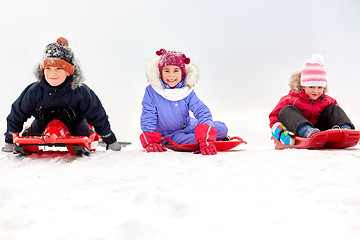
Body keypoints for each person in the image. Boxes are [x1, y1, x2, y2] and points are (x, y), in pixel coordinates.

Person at [3, 37, 122, 152]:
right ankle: (27, 140)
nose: (52, 73)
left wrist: (110, 139)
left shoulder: (80, 91)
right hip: (42, 124)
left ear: (68, 71)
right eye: (48, 68)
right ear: (42, 70)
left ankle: (84, 139)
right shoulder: (35, 91)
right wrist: (10, 139)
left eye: (58, 69)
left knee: (82, 132)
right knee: (29, 140)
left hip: (74, 124)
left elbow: (97, 114)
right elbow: (17, 113)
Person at [140, 48, 228, 155]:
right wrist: (151, 140)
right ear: (161, 73)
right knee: (195, 141)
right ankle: (208, 139)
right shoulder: (152, 91)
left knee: (222, 129)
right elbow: (148, 116)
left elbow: (202, 110)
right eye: (167, 70)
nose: (171, 75)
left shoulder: (187, 91)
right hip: (171, 134)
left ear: (182, 73)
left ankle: (210, 137)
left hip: (189, 125)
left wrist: (205, 131)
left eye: (176, 70)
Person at [269, 54, 354, 145]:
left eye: (320, 87)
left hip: (319, 130)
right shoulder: (290, 99)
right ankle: (305, 131)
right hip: (298, 129)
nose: (316, 91)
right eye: (312, 87)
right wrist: (281, 131)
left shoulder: (327, 100)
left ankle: (345, 130)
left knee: (334, 108)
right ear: (303, 86)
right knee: (286, 110)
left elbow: (335, 115)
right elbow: (274, 117)